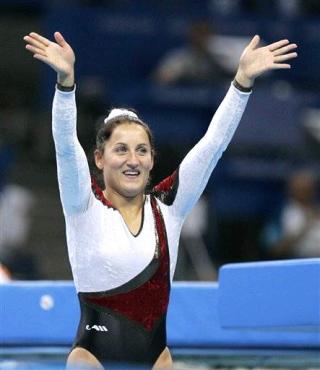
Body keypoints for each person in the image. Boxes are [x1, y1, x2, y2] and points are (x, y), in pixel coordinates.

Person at [23, 31, 297, 369]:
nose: (132, 160)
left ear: (152, 158)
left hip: (158, 362)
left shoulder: (169, 206)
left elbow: (213, 146)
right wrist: (66, 85)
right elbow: (65, 146)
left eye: (141, 150)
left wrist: (241, 83)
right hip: (92, 361)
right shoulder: (83, 204)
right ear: (99, 158)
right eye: (120, 150)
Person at [262, 169, 320, 259]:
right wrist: (305, 226)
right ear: (291, 190)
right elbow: (274, 248)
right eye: (300, 189)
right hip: (296, 260)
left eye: (308, 189)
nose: (305, 193)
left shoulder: (317, 209)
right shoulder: (279, 213)